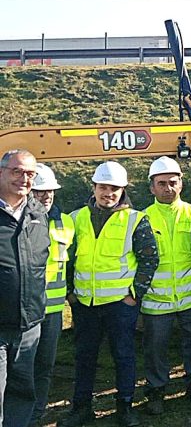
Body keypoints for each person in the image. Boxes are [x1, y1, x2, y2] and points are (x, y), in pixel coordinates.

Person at [62, 161, 158, 427]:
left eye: (114, 188)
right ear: (94, 187)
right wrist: (70, 294)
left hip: (120, 304)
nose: (109, 193)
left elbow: (150, 259)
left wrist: (134, 296)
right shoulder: (75, 218)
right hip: (85, 303)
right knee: (84, 357)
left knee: (124, 356)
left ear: (123, 190)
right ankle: (81, 408)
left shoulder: (135, 219)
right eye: (103, 187)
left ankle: (125, 407)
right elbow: (66, 259)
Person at [140, 157, 191, 416]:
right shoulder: (142, 218)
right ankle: (156, 390)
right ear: (151, 187)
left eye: (172, 182)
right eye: (161, 183)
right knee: (155, 348)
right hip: (156, 299)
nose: (168, 188)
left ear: (181, 183)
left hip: (190, 295)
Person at [0, 150, 49, 427]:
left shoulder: (37, 214)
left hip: (28, 326)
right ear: (1, 173)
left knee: (21, 394)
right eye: (17, 171)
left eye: (30, 173)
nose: (24, 179)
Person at [28, 164, 73, 424]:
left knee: (45, 365)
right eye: (40, 191)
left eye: (50, 191)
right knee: (19, 366)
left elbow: (73, 262)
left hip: (53, 310)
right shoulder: (15, 221)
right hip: (24, 310)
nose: (46, 196)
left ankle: (37, 411)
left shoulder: (66, 222)